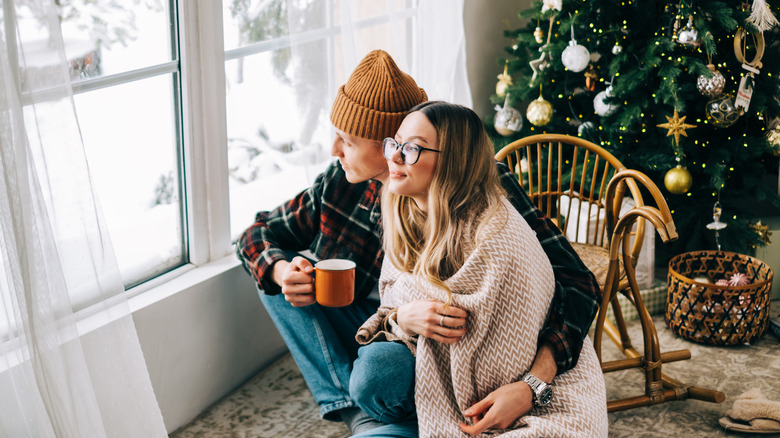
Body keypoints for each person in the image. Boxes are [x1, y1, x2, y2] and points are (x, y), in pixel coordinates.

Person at [235, 50, 601, 437]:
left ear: (390, 143)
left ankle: (396, 413)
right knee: (275, 279)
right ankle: (357, 410)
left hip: (444, 345)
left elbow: (578, 283)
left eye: (347, 139)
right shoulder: (339, 182)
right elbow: (255, 235)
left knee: (381, 370)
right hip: (380, 326)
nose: (333, 150)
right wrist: (281, 272)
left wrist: (534, 383)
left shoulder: (485, 188)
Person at [354, 100, 608, 437]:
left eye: (412, 148)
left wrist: (531, 385)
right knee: (372, 378)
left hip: (525, 375)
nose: (395, 156)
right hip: (429, 352)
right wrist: (402, 317)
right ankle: (401, 418)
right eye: (395, 143)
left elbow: (574, 287)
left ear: (453, 160)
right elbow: (394, 293)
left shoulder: (497, 228)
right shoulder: (403, 210)